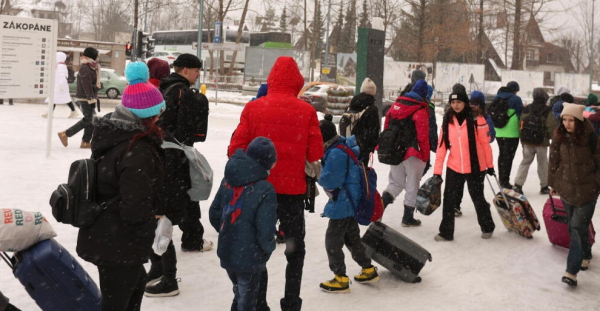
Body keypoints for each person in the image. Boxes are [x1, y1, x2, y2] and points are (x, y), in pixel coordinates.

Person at [228, 56, 324, 311]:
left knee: (258, 248)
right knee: (295, 250)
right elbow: (315, 153)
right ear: (297, 81)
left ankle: (259, 303)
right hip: (292, 193)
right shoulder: (307, 111)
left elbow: (235, 149)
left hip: (258, 191)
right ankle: (291, 302)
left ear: (271, 79)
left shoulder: (254, 108)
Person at [76, 62, 166, 310]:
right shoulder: (136, 150)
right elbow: (134, 206)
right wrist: (149, 233)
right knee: (118, 302)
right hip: (118, 242)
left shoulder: (113, 134)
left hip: (106, 234)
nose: (160, 118)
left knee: (133, 290)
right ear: (148, 116)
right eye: (157, 113)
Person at [209, 137, 278, 311]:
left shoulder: (229, 179)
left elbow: (214, 212)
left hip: (227, 251)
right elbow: (265, 228)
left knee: (241, 293)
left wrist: (228, 231)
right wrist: (267, 247)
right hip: (250, 256)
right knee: (246, 301)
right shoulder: (265, 189)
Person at [317, 116, 380, 293]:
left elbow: (331, 180)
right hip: (350, 201)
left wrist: (318, 174)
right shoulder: (339, 147)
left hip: (343, 203)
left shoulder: (336, 153)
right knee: (351, 238)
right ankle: (368, 269)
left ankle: (340, 278)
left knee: (332, 241)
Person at [157, 53, 212, 253]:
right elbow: (187, 131)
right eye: (197, 71)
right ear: (186, 70)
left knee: (165, 195)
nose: (198, 75)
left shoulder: (164, 87)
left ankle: (162, 236)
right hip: (177, 153)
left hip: (160, 150)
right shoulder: (184, 93)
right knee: (187, 194)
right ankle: (192, 239)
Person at [433, 84, 495, 241]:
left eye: (459, 102)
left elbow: (485, 145)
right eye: (453, 103)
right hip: (454, 165)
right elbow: (442, 147)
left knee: (477, 197)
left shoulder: (476, 119)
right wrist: (437, 172)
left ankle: (487, 226)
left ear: (465, 102)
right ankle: (446, 232)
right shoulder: (448, 119)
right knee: (449, 200)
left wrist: (490, 166)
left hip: (475, 166)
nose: (456, 105)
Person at [548, 103, 600, 287]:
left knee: (578, 226)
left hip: (587, 192)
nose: (567, 123)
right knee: (574, 227)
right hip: (567, 189)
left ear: (579, 120)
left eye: (571, 120)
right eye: (564, 119)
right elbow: (554, 160)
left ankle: (571, 271)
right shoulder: (560, 137)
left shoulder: (592, 138)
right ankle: (585, 253)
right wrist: (553, 183)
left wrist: (595, 183)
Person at [380, 79, 430, 227]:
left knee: (395, 182)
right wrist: (425, 156)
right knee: (412, 184)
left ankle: (380, 207)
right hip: (412, 153)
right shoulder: (420, 110)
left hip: (395, 152)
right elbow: (423, 137)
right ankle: (407, 217)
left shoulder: (395, 106)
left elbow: (387, 126)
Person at [512, 88, 556, 195]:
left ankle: (518, 185)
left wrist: (523, 138)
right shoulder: (547, 110)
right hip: (541, 142)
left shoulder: (527, 108)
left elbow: (521, 124)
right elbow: (550, 127)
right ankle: (544, 186)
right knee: (542, 164)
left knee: (525, 162)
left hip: (527, 141)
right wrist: (549, 137)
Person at [58, 47, 101, 148]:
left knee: (91, 120)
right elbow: (86, 85)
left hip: (89, 97)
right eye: (97, 55)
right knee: (89, 119)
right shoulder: (85, 67)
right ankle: (65, 134)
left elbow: (92, 84)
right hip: (84, 98)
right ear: (92, 55)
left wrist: (98, 87)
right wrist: (91, 99)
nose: (98, 57)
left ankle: (85, 142)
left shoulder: (92, 67)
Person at [338, 77, 380, 165]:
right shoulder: (372, 108)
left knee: (351, 170)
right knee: (361, 171)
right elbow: (374, 130)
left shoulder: (352, 104)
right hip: (363, 146)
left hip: (349, 143)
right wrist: (371, 147)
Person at [493, 81, 524, 189]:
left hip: (499, 131)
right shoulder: (516, 99)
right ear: (514, 90)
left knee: (502, 155)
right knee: (508, 157)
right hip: (512, 132)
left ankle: (501, 178)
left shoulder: (496, 97)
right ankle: (505, 181)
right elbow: (521, 114)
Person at [42, 52, 78, 118]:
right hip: (59, 85)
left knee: (56, 98)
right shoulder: (60, 65)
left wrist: (61, 85)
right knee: (59, 99)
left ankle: (50, 113)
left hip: (60, 86)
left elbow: (62, 76)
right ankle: (73, 111)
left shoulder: (60, 66)